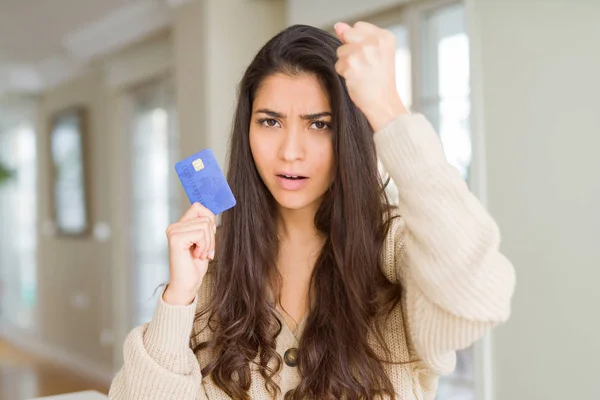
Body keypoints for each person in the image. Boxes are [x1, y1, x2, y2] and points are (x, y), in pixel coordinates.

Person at [108, 21, 515, 400]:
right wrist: (179, 299)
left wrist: (389, 111)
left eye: (319, 124)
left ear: (347, 133)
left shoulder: (396, 252)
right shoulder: (216, 270)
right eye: (270, 122)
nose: (290, 152)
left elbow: (477, 299)